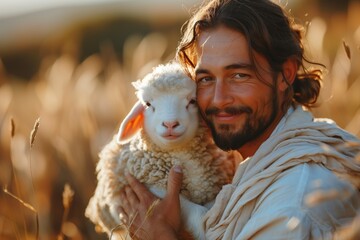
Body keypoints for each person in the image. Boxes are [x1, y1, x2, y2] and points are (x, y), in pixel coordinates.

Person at [117, 0, 360, 239]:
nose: (219, 99)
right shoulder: (250, 168)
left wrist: (160, 236)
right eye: (206, 79)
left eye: (239, 75)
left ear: (285, 74)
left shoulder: (292, 208)